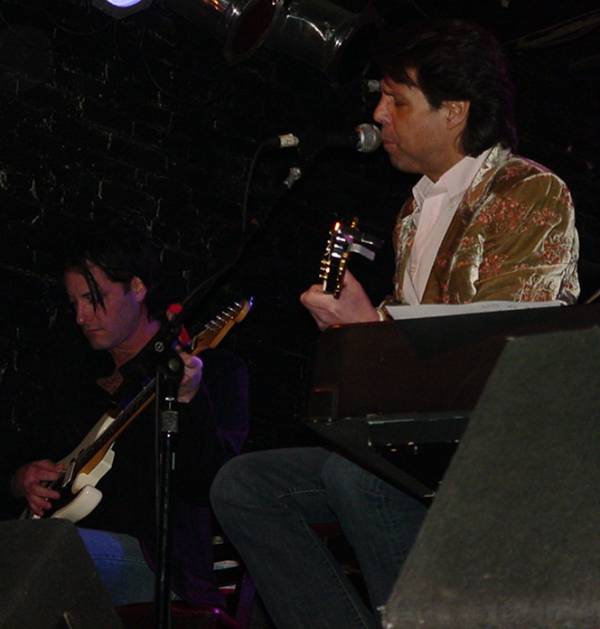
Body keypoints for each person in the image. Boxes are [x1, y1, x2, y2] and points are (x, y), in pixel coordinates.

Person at [209, 18, 580, 629]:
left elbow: (506, 349)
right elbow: (412, 343)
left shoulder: (527, 191)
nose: (379, 114)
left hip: (491, 451)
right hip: (418, 447)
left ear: (455, 111)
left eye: (397, 100)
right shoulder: (412, 214)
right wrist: (359, 328)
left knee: (358, 478)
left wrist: (375, 331)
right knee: (245, 485)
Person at [0, 224, 249, 609]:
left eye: (93, 298)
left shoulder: (210, 371)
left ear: (136, 287)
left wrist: (188, 401)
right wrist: (21, 481)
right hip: (64, 542)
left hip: (157, 564)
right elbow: (23, 455)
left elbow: (213, 482)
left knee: (45, 550)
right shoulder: (75, 382)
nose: (81, 316)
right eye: (74, 303)